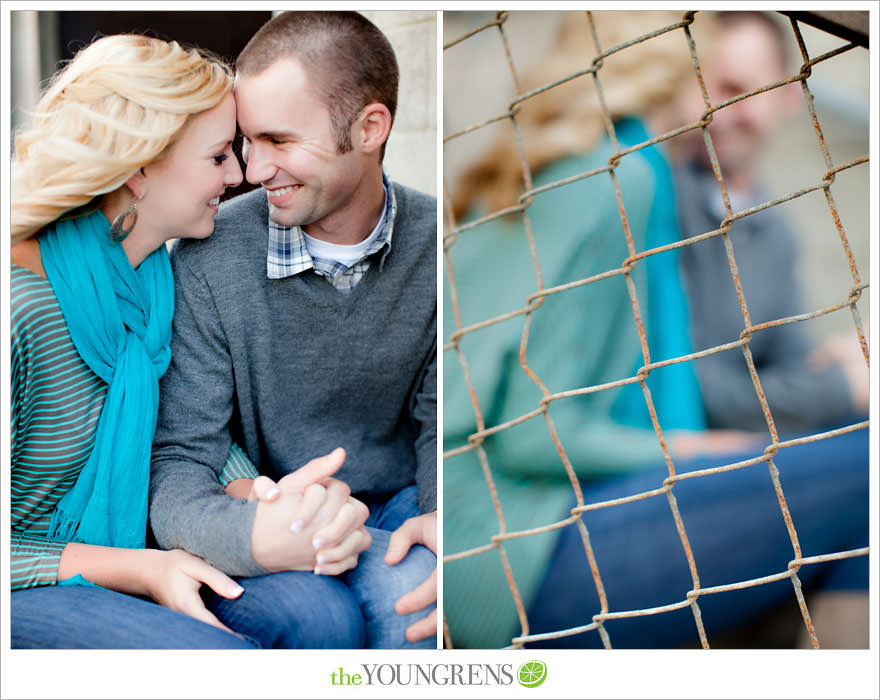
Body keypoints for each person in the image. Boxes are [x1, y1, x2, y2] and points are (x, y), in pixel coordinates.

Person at [443, 10, 867, 649]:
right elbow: (535, 434)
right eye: (717, 77)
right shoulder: (623, 177)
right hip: (510, 544)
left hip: (508, 518)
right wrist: (702, 447)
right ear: (680, 70)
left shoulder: (583, 168)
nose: (727, 104)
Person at [149, 11, 438, 649]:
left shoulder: (440, 245)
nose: (253, 170)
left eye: (279, 141)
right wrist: (259, 532)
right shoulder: (208, 258)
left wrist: (450, 514)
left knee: (421, 590)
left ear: (369, 127)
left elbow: (445, 415)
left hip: (400, 504)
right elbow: (177, 465)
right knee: (363, 607)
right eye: (248, 141)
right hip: (264, 511)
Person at [10, 34, 258, 648]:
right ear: (140, 168)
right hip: (28, 576)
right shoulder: (18, 306)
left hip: (128, 545)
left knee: (320, 614)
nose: (239, 175)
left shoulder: (155, 279)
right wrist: (139, 569)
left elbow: (175, 424)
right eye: (220, 155)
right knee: (214, 656)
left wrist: (266, 493)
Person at [661, 10, 869, 436]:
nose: (714, 112)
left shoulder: (775, 233)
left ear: (787, 97)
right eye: (699, 86)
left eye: (736, 90)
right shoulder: (660, 196)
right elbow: (683, 391)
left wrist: (837, 364)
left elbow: (786, 363)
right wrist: (841, 386)